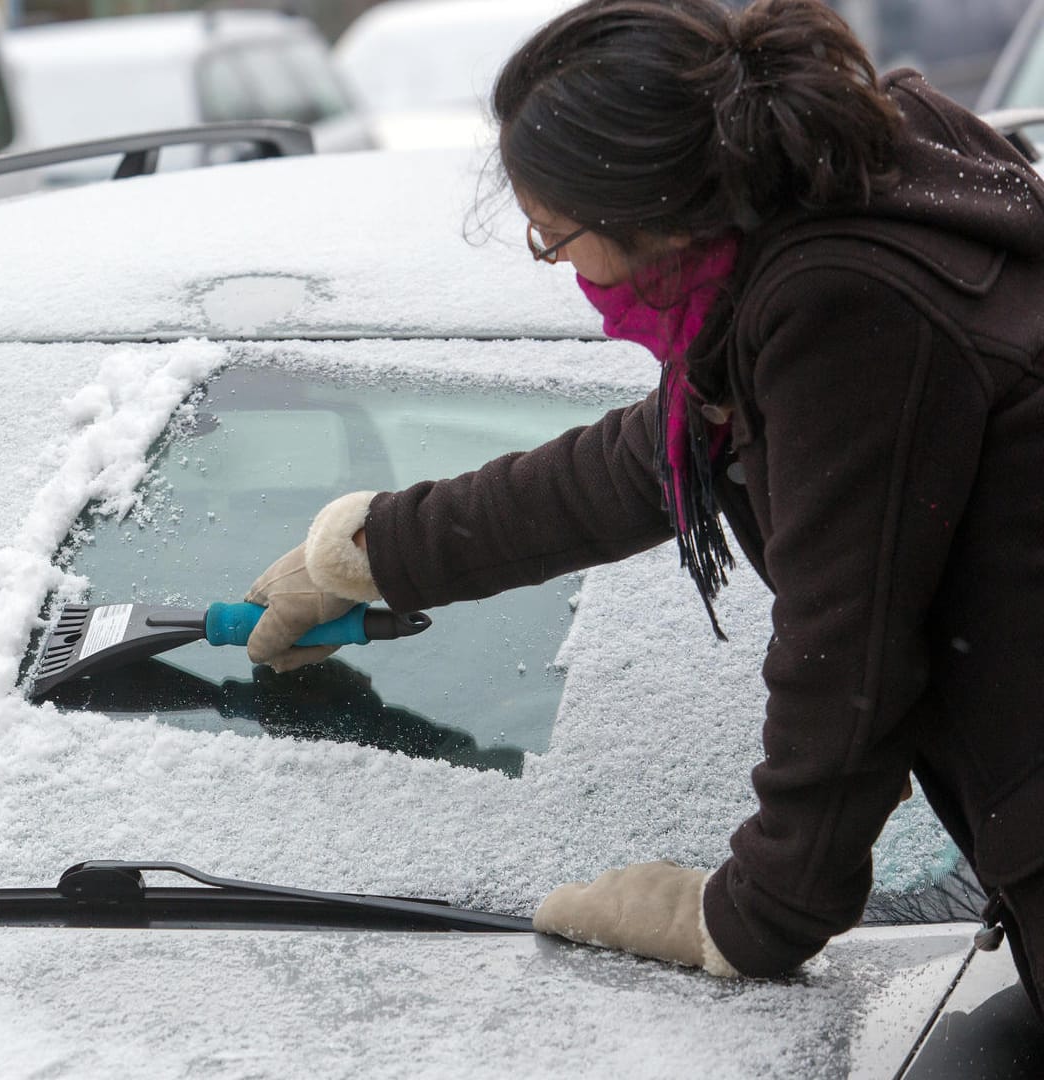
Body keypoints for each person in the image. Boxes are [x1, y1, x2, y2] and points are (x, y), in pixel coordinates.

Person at [243, 0, 1044, 1015]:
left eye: (554, 239)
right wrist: (370, 550)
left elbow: (849, 647)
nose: (565, 271)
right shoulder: (818, 219)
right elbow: (640, 464)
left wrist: (753, 915)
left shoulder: (846, 304)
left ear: (652, 214)